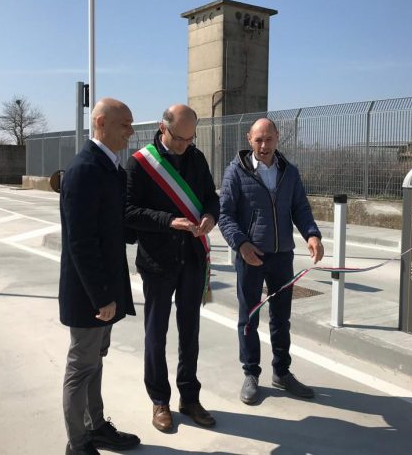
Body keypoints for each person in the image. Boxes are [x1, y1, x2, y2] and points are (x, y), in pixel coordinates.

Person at [125, 104, 219, 433]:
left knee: (190, 333)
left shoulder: (196, 158)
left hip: (192, 258)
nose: (184, 145)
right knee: (156, 333)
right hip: (158, 261)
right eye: (179, 138)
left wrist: (210, 216)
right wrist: (168, 221)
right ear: (163, 128)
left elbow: (210, 197)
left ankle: (189, 397)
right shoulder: (141, 163)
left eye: (190, 139)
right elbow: (128, 212)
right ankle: (159, 399)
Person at [219, 118, 324, 405]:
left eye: (269, 139)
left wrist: (312, 234)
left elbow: (300, 208)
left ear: (277, 137)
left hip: (282, 256)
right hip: (250, 256)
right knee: (249, 318)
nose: (264, 146)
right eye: (258, 140)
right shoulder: (235, 172)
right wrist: (241, 244)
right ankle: (251, 374)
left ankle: (282, 372)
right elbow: (225, 215)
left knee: (281, 318)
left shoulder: (289, 172)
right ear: (249, 139)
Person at [59, 98, 140, 455]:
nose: (131, 132)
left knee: (94, 362)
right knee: (81, 368)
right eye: (125, 124)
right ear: (101, 123)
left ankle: (96, 426)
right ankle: (78, 444)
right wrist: (101, 297)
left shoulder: (110, 169)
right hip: (89, 295)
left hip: (105, 290)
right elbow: (81, 241)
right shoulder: (85, 170)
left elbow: (114, 225)